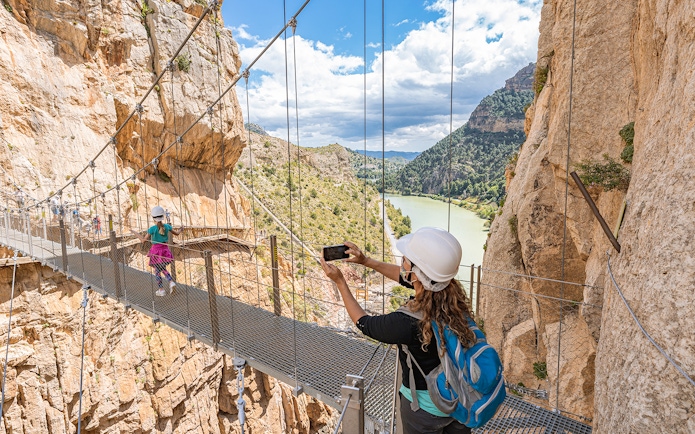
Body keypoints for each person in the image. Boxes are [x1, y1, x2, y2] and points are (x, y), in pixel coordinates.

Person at [320, 227, 475, 434]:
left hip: (426, 411)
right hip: (462, 400)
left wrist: (340, 281)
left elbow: (364, 323)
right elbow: (406, 277)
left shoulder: (408, 322)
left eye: (406, 260)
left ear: (417, 273)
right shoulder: (451, 298)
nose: (402, 262)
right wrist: (366, 261)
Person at [134, 206, 181, 296]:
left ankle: (162, 289)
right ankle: (170, 282)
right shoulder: (167, 226)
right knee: (161, 268)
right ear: (162, 216)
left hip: (155, 252)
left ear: (153, 217)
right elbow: (177, 233)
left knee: (157, 270)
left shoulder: (152, 229)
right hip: (164, 250)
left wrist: (135, 233)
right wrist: (181, 229)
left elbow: (143, 240)